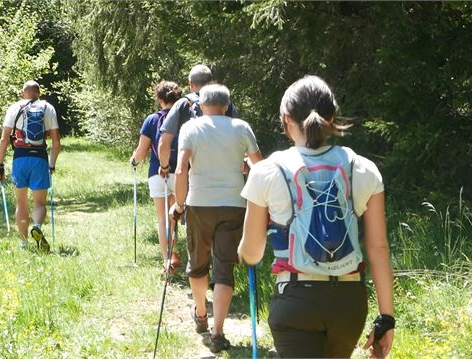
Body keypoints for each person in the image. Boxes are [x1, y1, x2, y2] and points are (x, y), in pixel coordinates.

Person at [237, 75, 394, 358]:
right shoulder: (363, 168)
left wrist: (243, 253)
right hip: (349, 304)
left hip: (295, 301)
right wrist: (386, 318)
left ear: (285, 119)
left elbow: (252, 252)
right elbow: (378, 248)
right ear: (332, 117)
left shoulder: (267, 171)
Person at [169, 84, 263, 353]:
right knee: (225, 267)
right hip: (234, 204)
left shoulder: (191, 128)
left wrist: (178, 204)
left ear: (200, 105)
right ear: (226, 105)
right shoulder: (241, 127)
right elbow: (261, 166)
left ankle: (200, 313)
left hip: (199, 204)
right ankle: (218, 330)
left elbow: (180, 169)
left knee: (197, 263)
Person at [0, 80, 60, 252]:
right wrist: (51, 165)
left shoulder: (14, 108)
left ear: (23, 93)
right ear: (38, 93)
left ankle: (23, 244)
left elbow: (4, 139)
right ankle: (37, 226)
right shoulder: (48, 108)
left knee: (21, 203)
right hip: (40, 158)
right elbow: (56, 140)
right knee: (39, 203)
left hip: (20, 159)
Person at [129, 81, 183, 273]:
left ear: (160, 100)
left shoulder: (152, 120)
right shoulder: (185, 118)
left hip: (157, 173)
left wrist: (134, 161)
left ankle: (167, 259)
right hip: (180, 172)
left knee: (162, 219)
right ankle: (175, 251)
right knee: (174, 217)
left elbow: (142, 152)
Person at [157, 64, 237, 177]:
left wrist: (164, 167)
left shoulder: (182, 104)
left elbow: (164, 143)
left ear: (190, 83)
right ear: (211, 82)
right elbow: (237, 137)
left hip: (193, 175)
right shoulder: (226, 104)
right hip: (224, 173)